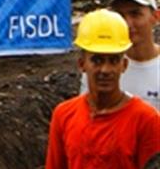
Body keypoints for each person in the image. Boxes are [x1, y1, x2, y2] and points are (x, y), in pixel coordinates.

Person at [46, 9, 160, 169]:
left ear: (124, 65)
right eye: (97, 60)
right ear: (82, 65)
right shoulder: (64, 115)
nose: (105, 70)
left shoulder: (145, 120)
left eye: (113, 60)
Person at [81, 0, 160, 111]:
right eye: (120, 16)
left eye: (135, 14)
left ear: (155, 17)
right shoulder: (101, 69)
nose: (127, 23)